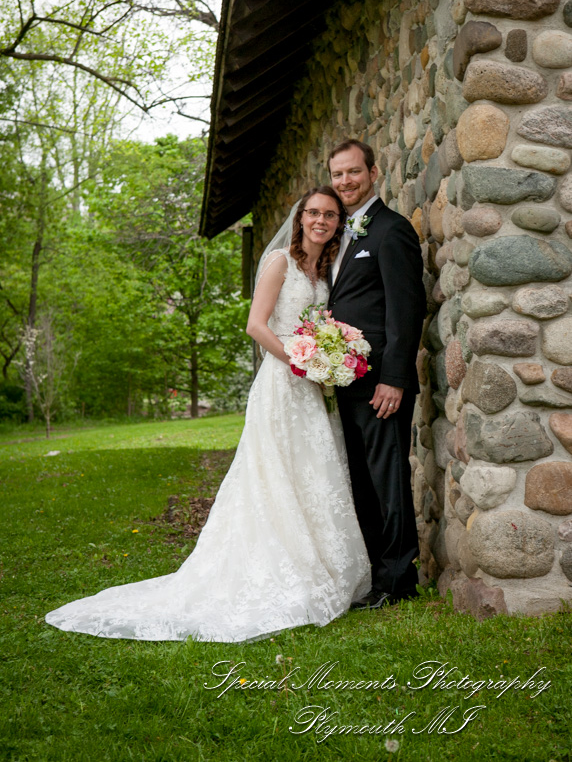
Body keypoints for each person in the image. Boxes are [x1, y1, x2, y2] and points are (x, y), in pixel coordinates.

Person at [44, 186, 370, 642]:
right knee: (273, 476)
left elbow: (318, 326)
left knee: (312, 472)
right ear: (300, 220)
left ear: (338, 222)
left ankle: (322, 565)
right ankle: (276, 568)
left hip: (310, 389)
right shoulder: (280, 263)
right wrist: (300, 360)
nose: (321, 221)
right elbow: (256, 325)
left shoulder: (325, 270)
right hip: (281, 385)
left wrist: (324, 359)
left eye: (330, 215)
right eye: (313, 213)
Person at [328, 139, 426, 609]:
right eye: (337, 175)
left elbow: (406, 311)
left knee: (387, 481)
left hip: (381, 385)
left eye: (353, 172)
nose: (345, 182)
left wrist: (395, 378)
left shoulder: (391, 230)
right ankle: (375, 573)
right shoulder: (338, 236)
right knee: (362, 482)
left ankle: (398, 580)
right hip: (346, 382)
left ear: (372, 172)